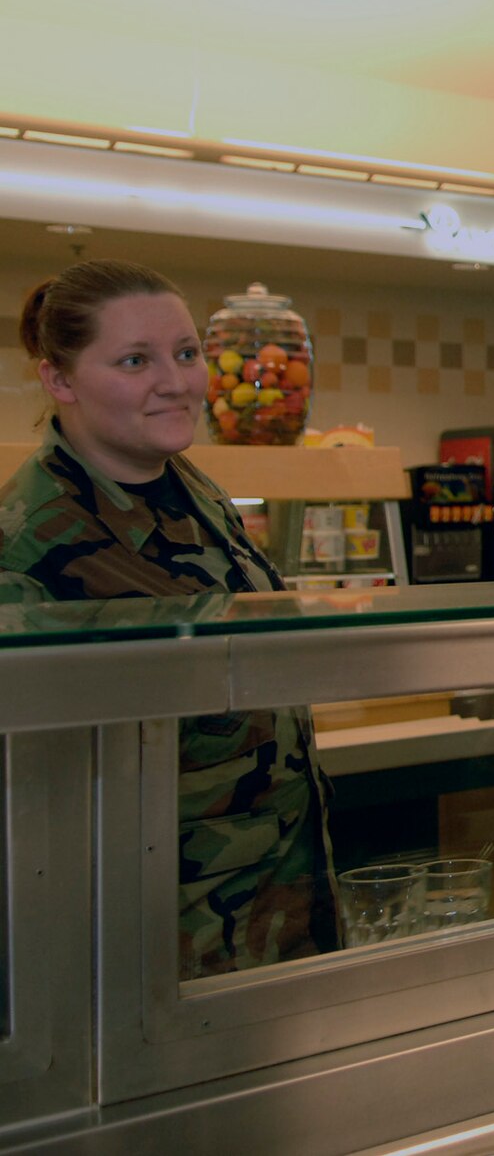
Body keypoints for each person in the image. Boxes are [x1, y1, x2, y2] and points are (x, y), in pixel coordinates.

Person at [0, 260, 336, 978]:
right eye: (134, 360)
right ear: (59, 380)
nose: (176, 381)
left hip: (273, 912)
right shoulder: (32, 543)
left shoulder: (191, 486)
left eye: (186, 354)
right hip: (147, 951)